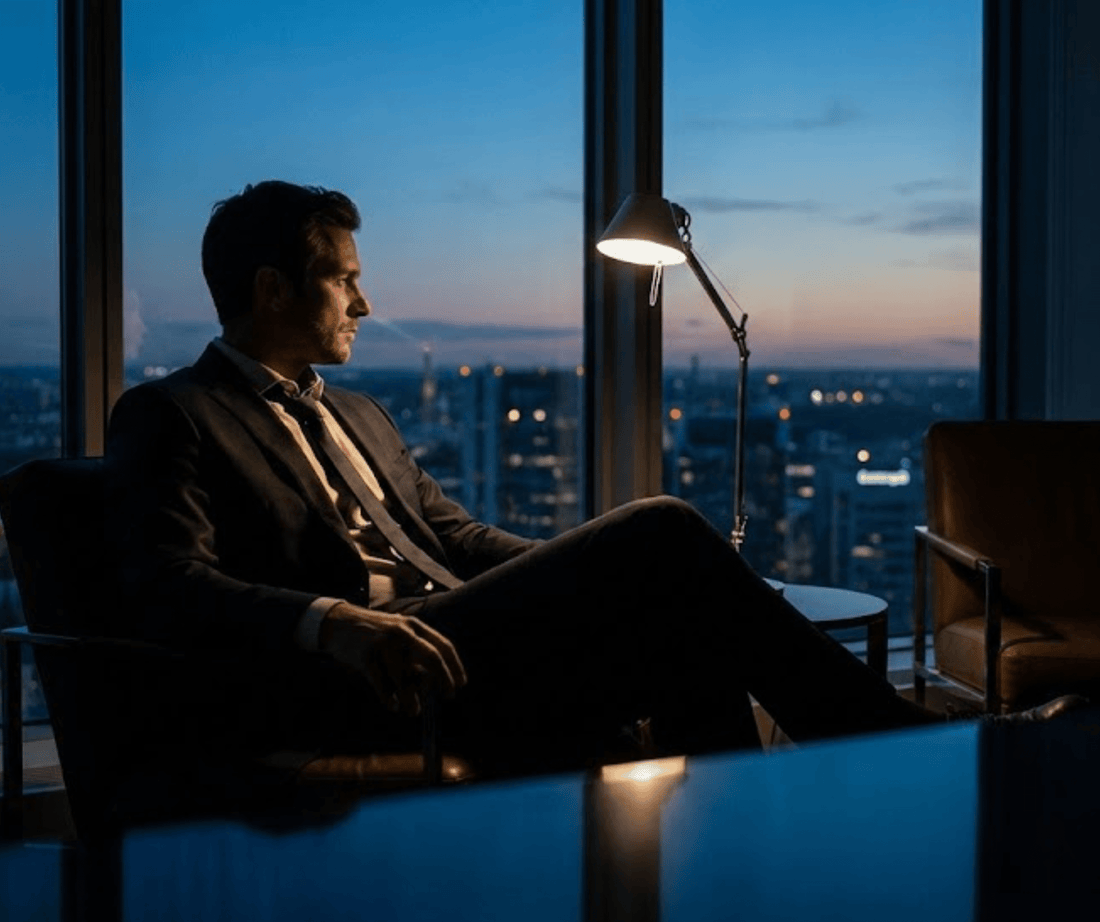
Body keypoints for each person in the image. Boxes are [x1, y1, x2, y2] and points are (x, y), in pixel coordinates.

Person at [104, 180, 1074, 780]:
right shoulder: (173, 414)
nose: (367, 299)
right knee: (656, 526)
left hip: (463, 637)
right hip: (356, 673)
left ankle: (734, 868)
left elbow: (450, 533)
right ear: (272, 289)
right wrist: (331, 620)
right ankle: (908, 747)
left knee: (682, 621)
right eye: (342, 278)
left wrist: (587, 572)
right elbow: (163, 586)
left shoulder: (358, 413)